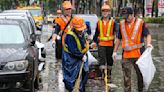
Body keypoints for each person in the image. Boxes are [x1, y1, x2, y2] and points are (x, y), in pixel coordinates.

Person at [112, 7, 152, 92]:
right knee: (126, 78)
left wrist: (148, 44)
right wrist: (114, 51)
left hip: (139, 54)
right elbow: (119, 38)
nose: (126, 18)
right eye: (124, 16)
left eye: (127, 16)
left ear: (132, 14)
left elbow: (147, 35)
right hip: (126, 55)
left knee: (140, 76)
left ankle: (140, 90)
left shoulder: (141, 23)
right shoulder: (122, 24)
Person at [91, 4, 118, 82]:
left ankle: (109, 75)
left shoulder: (113, 22)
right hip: (101, 44)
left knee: (110, 60)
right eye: (103, 11)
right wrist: (93, 42)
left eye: (106, 11)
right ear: (102, 12)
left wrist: (116, 39)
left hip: (110, 44)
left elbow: (117, 31)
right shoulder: (99, 22)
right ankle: (103, 75)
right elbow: (96, 33)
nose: (105, 13)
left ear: (109, 12)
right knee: (102, 60)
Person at [62, 16, 89, 92]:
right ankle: (72, 89)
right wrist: (81, 56)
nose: (80, 31)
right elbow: (73, 50)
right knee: (71, 77)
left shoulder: (82, 31)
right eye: (79, 30)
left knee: (85, 73)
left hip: (80, 56)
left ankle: (81, 89)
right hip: (71, 59)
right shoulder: (70, 36)